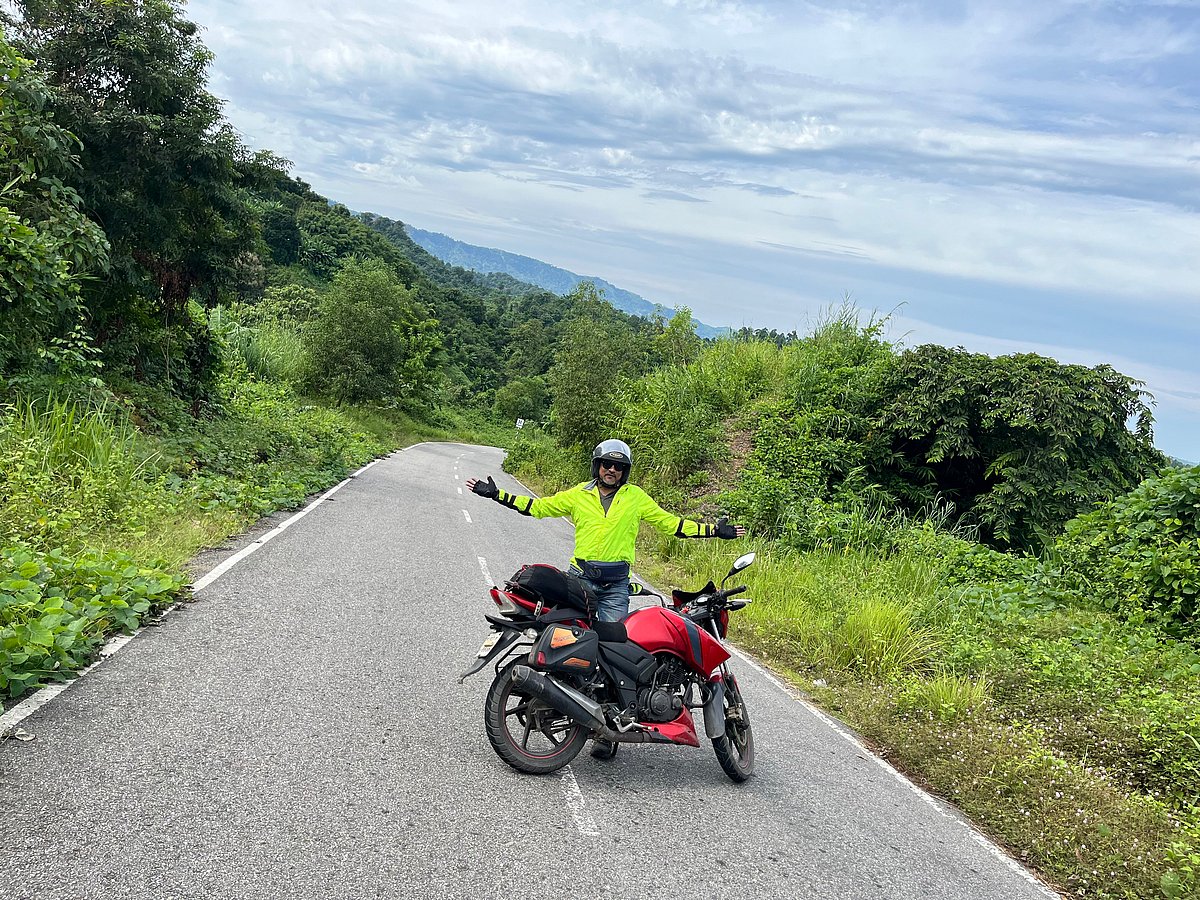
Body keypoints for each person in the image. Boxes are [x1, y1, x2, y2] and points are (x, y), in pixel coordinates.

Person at [466, 438, 745, 624]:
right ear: (597, 465)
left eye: (619, 466)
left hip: (616, 586)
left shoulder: (636, 497)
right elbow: (537, 507)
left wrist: (714, 531)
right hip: (581, 579)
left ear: (625, 471)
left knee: (613, 645)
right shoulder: (578, 494)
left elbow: (672, 525)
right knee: (571, 637)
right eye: (607, 464)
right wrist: (496, 494)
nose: (611, 470)